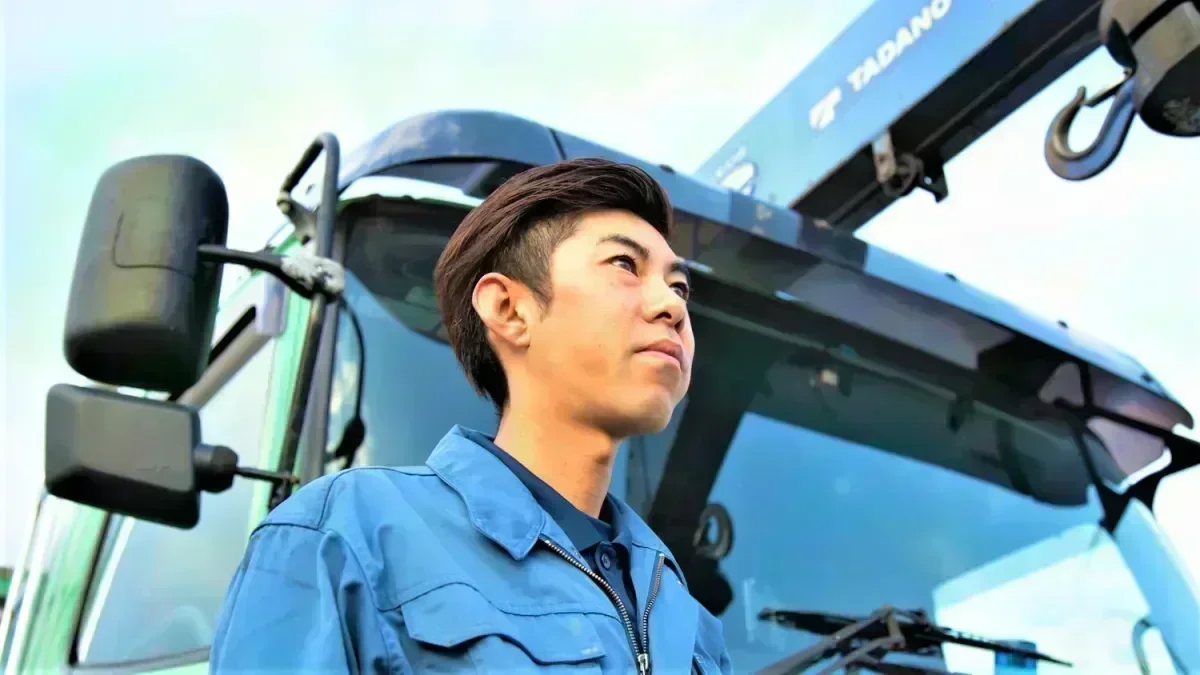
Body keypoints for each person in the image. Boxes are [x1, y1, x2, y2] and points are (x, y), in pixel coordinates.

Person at [209, 157, 733, 674]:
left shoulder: (690, 627)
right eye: (624, 265)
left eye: (679, 287)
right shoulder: (345, 536)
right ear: (508, 309)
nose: (672, 306)